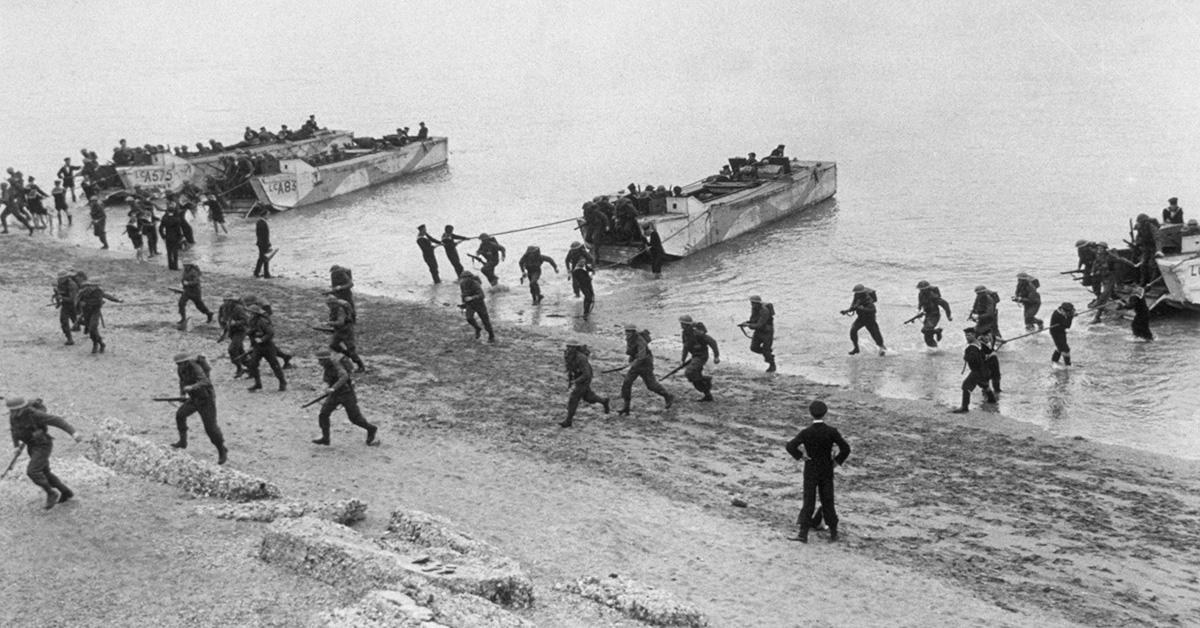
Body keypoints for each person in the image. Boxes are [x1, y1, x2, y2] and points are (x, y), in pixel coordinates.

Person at [784, 400, 850, 542]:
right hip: (826, 469)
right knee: (828, 501)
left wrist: (801, 456)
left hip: (811, 469)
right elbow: (846, 448)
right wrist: (836, 462)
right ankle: (833, 533)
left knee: (809, 501)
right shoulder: (831, 432)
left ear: (810, 413)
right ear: (825, 413)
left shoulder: (806, 432)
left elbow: (790, 446)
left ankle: (803, 534)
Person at [7, 397, 83, 510]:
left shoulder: (35, 414)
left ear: (22, 408)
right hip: (32, 446)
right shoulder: (14, 417)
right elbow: (14, 430)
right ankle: (66, 492)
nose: (12, 413)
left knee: (33, 471)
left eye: (15, 410)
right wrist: (16, 446)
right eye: (11, 410)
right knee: (45, 472)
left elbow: (57, 420)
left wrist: (73, 433)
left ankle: (51, 493)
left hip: (43, 445)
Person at [169, 353, 227, 465]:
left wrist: (192, 387)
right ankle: (183, 441)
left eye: (181, 364)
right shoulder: (181, 369)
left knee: (211, 428)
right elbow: (182, 381)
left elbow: (206, 381)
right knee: (180, 415)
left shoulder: (195, 366)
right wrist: (182, 395)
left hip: (206, 399)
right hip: (194, 399)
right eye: (177, 364)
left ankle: (222, 450)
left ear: (186, 362)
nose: (179, 366)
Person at [312, 350, 378, 446]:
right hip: (335, 395)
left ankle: (371, 429)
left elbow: (344, 376)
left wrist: (333, 388)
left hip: (347, 394)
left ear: (326, 360)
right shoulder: (327, 367)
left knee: (355, 419)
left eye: (321, 360)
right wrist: (329, 388)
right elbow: (328, 380)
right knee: (323, 414)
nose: (319, 363)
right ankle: (326, 438)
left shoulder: (336, 365)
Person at [617, 325, 673, 415]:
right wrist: (632, 359)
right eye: (626, 331)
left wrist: (633, 363)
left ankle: (668, 396)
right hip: (636, 363)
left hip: (645, 364)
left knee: (651, 385)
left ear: (633, 332)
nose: (627, 333)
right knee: (627, 383)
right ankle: (626, 407)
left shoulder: (640, 340)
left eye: (629, 331)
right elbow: (631, 352)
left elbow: (642, 356)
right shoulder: (629, 339)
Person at [559, 341, 610, 428]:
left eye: (571, 347)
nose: (569, 349)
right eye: (568, 347)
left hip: (585, 378)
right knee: (588, 398)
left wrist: (576, 381)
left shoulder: (581, 358)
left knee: (574, 398)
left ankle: (568, 420)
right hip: (578, 376)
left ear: (575, 348)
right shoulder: (567, 355)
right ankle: (604, 401)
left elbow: (587, 374)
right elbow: (570, 368)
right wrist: (571, 381)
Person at [951, 328, 997, 413]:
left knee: (966, 386)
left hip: (977, 371)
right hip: (984, 369)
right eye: (966, 335)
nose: (967, 337)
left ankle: (964, 407)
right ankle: (992, 399)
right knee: (984, 384)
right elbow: (988, 352)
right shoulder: (980, 344)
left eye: (969, 335)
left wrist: (966, 357)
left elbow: (973, 359)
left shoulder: (971, 347)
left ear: (974, 335)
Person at [245, 304, 287, 392]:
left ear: (255, 314)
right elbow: (252, 335)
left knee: (274, 365)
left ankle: (282, 382)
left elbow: (270, 333)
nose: (249, 314)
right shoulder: (250, 321)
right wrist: (252, 345)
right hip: (257, 347)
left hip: (267, 346)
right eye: (249, 312)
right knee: (252, 364)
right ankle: (258, 384)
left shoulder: (262, 321)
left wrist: (262, 339)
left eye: (251, 313)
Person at [75, 280, 121, 353]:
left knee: (93, 328)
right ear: (89, 285)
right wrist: (80, 304)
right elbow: (76, 300)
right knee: (91, 331)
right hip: (86, 312)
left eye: (95, 286)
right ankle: (99, 343)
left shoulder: (99, 291)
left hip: (95, 311)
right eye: (92, 285)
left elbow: (107, 296)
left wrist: (118, 300)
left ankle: (96, 344)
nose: (94, 287)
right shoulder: (83, 292)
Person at [842, 284, 886, 355]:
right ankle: (856, 348)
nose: (856, 294)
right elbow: (853, 306)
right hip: (861, 318)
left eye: (858, 293)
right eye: (856, 293)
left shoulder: (868, 298)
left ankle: (882, 349)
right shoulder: (856, 296)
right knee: (853, 331)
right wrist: (846, 311)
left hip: (870, 319)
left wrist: (862, 308)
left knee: (875, 334)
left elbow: (873, 310)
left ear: (862, 292)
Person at [682, 321, 720, 402]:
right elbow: (685, 347)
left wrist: (716, 356)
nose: (681, 326)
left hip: (701, 356)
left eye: (683, 324)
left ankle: (706, 379)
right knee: (695, 376)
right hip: (694, 356)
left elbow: (712, 342)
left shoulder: (697, 332)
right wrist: (683, 359)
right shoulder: (685, 334)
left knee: (689, 372)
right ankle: (708, 395)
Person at [326, 295, 366, 372]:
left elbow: (341, 322)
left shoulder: (340, 309)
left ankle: (360, 366)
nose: (328, 306)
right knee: (333, 345)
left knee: (351, 350)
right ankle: (348, 355)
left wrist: (330, 323)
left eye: (329, 304)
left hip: (347, 332)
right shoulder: (334, 309)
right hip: (339, 331)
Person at [457, 270, 495, 342]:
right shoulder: (462, 284)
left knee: (486, 321)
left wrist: (472, 298)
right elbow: (463, 294)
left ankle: (491, 336)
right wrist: (464, 303)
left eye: (465, 278)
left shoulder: (475, 284)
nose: (464, 279)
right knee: (469, 318)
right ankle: (477, 328)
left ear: (470, 278)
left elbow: (482, 295)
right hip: (470, 305)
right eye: (463, 278)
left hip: (480, 305)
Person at [741, 295, 776, 371]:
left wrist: (749, 325)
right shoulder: (754, 309)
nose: (752, 305)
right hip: (758, 332)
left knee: (766, 350)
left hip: (767, 332)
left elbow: (760, 325)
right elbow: (753, 320)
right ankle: (769, 355)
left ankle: (772, 365)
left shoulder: (764, 311)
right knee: (754, 348)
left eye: (753, 303)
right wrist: (747, 323)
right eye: (751, 303)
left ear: (757, 303)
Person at [913, 280, 952, 348]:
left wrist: (948, 316)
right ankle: (934, 351)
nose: (921, 291)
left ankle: (938, 331)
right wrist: (918, 311)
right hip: (927, 315)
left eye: (922, 290)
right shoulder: (921, 294)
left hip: (934, 316)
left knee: (925, 330)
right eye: (920, 289)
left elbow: (945, 304)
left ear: (927, 289)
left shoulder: (933, 296)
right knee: (927, 338)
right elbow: (920, 303)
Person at [218, 295, 249, 378]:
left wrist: (236, 323)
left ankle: (239, 368)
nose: (225, 302)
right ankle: (251, 368)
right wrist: (223, 328)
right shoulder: (223, 307)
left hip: (240, 331)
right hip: (231, 331)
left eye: (227, 301)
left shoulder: (238, 308)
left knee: (232, 349)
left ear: (232, 301)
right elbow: (220, 318)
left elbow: (246, 321)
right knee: (240, 350)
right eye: (224, 300)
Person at [177, 263, 214, 330]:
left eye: (186, 265)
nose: (184, 266)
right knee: (181, 303)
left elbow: (196, 281)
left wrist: (188, 283)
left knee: (199, 305)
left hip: (195, 292)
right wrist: (183, 284)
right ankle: (183, 318)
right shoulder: (185, 271)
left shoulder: (194, 272)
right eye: (184, 265)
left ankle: (209, 314)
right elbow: (183, 279)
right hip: (187, 291)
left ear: (190, 265)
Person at [565, 242, 597, 318]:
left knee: (587, 289)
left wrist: (592, 270)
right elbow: (566, 260)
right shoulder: (571, 252)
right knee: (575, 284)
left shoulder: (584, 252)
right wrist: (569, 271)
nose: (574, 251)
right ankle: (577, 296)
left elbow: (591, 260)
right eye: (573, 250)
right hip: (575, 269)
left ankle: (587, 306)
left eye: (576, 250)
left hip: (583, 269)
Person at [52, 271, 82, 345]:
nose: (61, 280)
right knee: (64, 321)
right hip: (65, 305)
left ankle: (87, 326)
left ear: (66, 277)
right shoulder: (58, 283)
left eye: (62, 278)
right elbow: (57, 293)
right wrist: (58, 300)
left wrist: (62, 297)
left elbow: (73, 299)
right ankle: (69, 339)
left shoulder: (72, 285)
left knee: (76, 320)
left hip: (73, 305)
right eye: (60, 278)